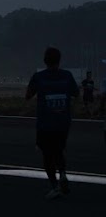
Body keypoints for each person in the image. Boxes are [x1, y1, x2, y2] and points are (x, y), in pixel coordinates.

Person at [26, 46, 79, 200]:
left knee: (47, 154)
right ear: (59, 60)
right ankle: (62, 173)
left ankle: (54, 186)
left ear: (45, 60)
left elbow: (28, 95)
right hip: (63, 122)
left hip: (45, 123)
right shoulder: (67, 76)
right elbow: (76, 94)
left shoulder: (39, 77)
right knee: (59, 149)